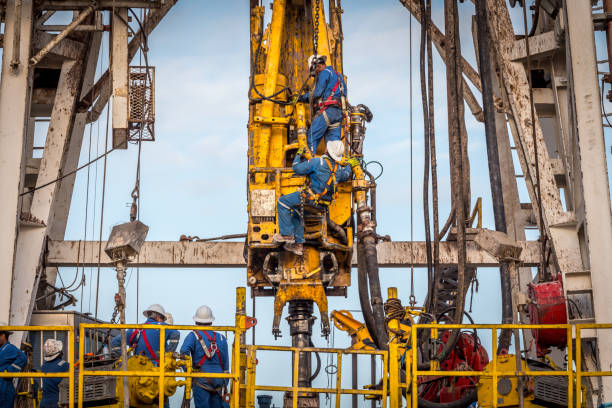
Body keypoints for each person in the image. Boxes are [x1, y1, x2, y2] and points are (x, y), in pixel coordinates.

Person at [273, 140, 359, 255]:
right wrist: (350, 164)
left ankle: (287, 235)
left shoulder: (317, 162)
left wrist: (298, 155)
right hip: (322, 205)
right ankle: (298, 244)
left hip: (309, 199)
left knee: (282, 202)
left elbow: (296, 169)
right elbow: (346, 175)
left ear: (327, 150)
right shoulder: (338, 169)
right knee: (297, 212)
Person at [297, 54, 348, 154]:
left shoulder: (325, 73)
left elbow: (316, 93)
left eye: (315, 71)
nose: (316, 75)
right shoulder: (338, 75)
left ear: (318, 66)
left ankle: (309, 163)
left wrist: (301, 98)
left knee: (312, 137)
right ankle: (335, 168)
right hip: (338, 114)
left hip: (327, 111)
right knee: (334, 146)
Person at [180, 306, 229, 408]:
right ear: (211, 322)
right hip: (219, 382)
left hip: (201, 381)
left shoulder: (193, 336)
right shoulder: (221, 338)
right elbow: (226, 365)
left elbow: (183, 352)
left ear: (196, 322)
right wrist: (224, 382)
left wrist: (189, 372)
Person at [110, 304, 180, 365]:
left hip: (137, 372)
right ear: (159, 317)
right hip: (156, 371)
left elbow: (114, 342)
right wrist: (168, 354)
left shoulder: (135, 330)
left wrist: (127, 360)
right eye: (162, 319)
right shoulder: (161, 327)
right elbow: (176, 334)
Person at [0, 323, 26, 408]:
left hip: (4, 387)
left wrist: (9, 371)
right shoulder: (1, 349)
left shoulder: (8, 348)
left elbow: (23, 358)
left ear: (3, 335)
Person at [40, 339, 68, 408]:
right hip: (57, 402)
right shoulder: (64, 365)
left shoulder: (44, 366)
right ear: (59, 352)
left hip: (44, 403)